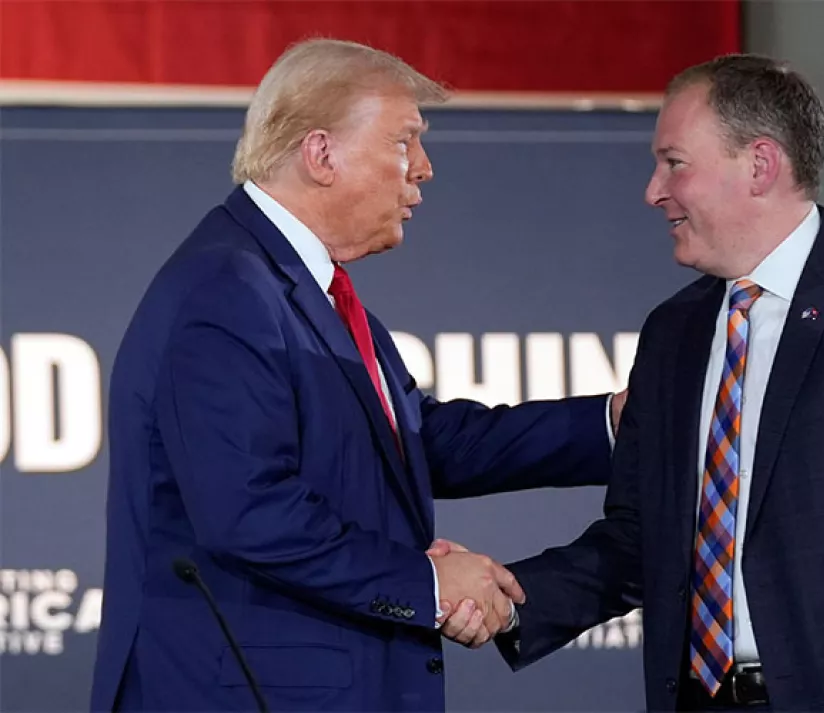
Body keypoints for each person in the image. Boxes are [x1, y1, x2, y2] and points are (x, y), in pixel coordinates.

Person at [436, 54, 824, 712]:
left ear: (760, 165)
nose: (653, 190)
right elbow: (638, 540)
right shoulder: (673, 332)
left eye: (674, 162)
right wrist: (510, 598)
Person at [90, 38, 623, 713]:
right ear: (321, 154)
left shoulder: (303, 289)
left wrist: (612, 424)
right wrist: (427, 582)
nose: (423, 169)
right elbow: (249, 510)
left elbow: (419, 442)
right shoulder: (226, 290)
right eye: (405, 141)